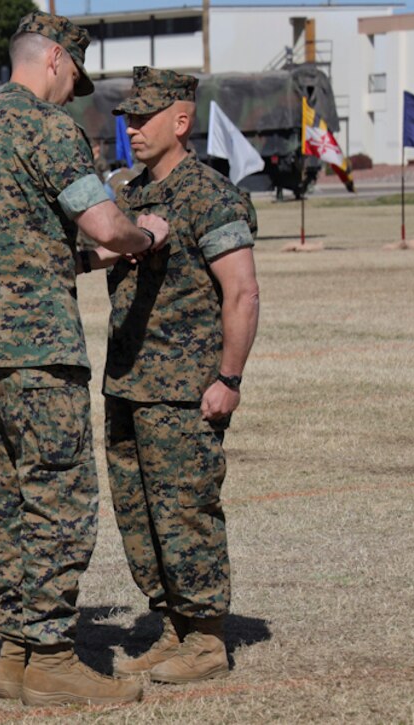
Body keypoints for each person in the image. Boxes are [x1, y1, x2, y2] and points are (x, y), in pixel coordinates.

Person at [0, 12, 169, 707]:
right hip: (36, 342)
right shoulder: (47, 130)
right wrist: (142, 236)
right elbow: (106, 221)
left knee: (9, 499)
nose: (74, 94)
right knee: (60, 494)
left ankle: (15, 649)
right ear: (53, 60)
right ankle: (49, 654)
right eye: (73, 77)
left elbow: (2, 235)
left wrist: (80, 256)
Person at [102, 66, 260, 684]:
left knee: (185, 511)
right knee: (138, 516)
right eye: (128, 118)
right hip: (127, 385)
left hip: (184, 390)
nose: (133, 128)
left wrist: (230, 378)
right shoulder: (130, 194)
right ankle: (172, 624)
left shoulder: (211, 196)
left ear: (181, 120)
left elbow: (242, 294)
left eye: (144, 117)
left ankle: (207, 640)